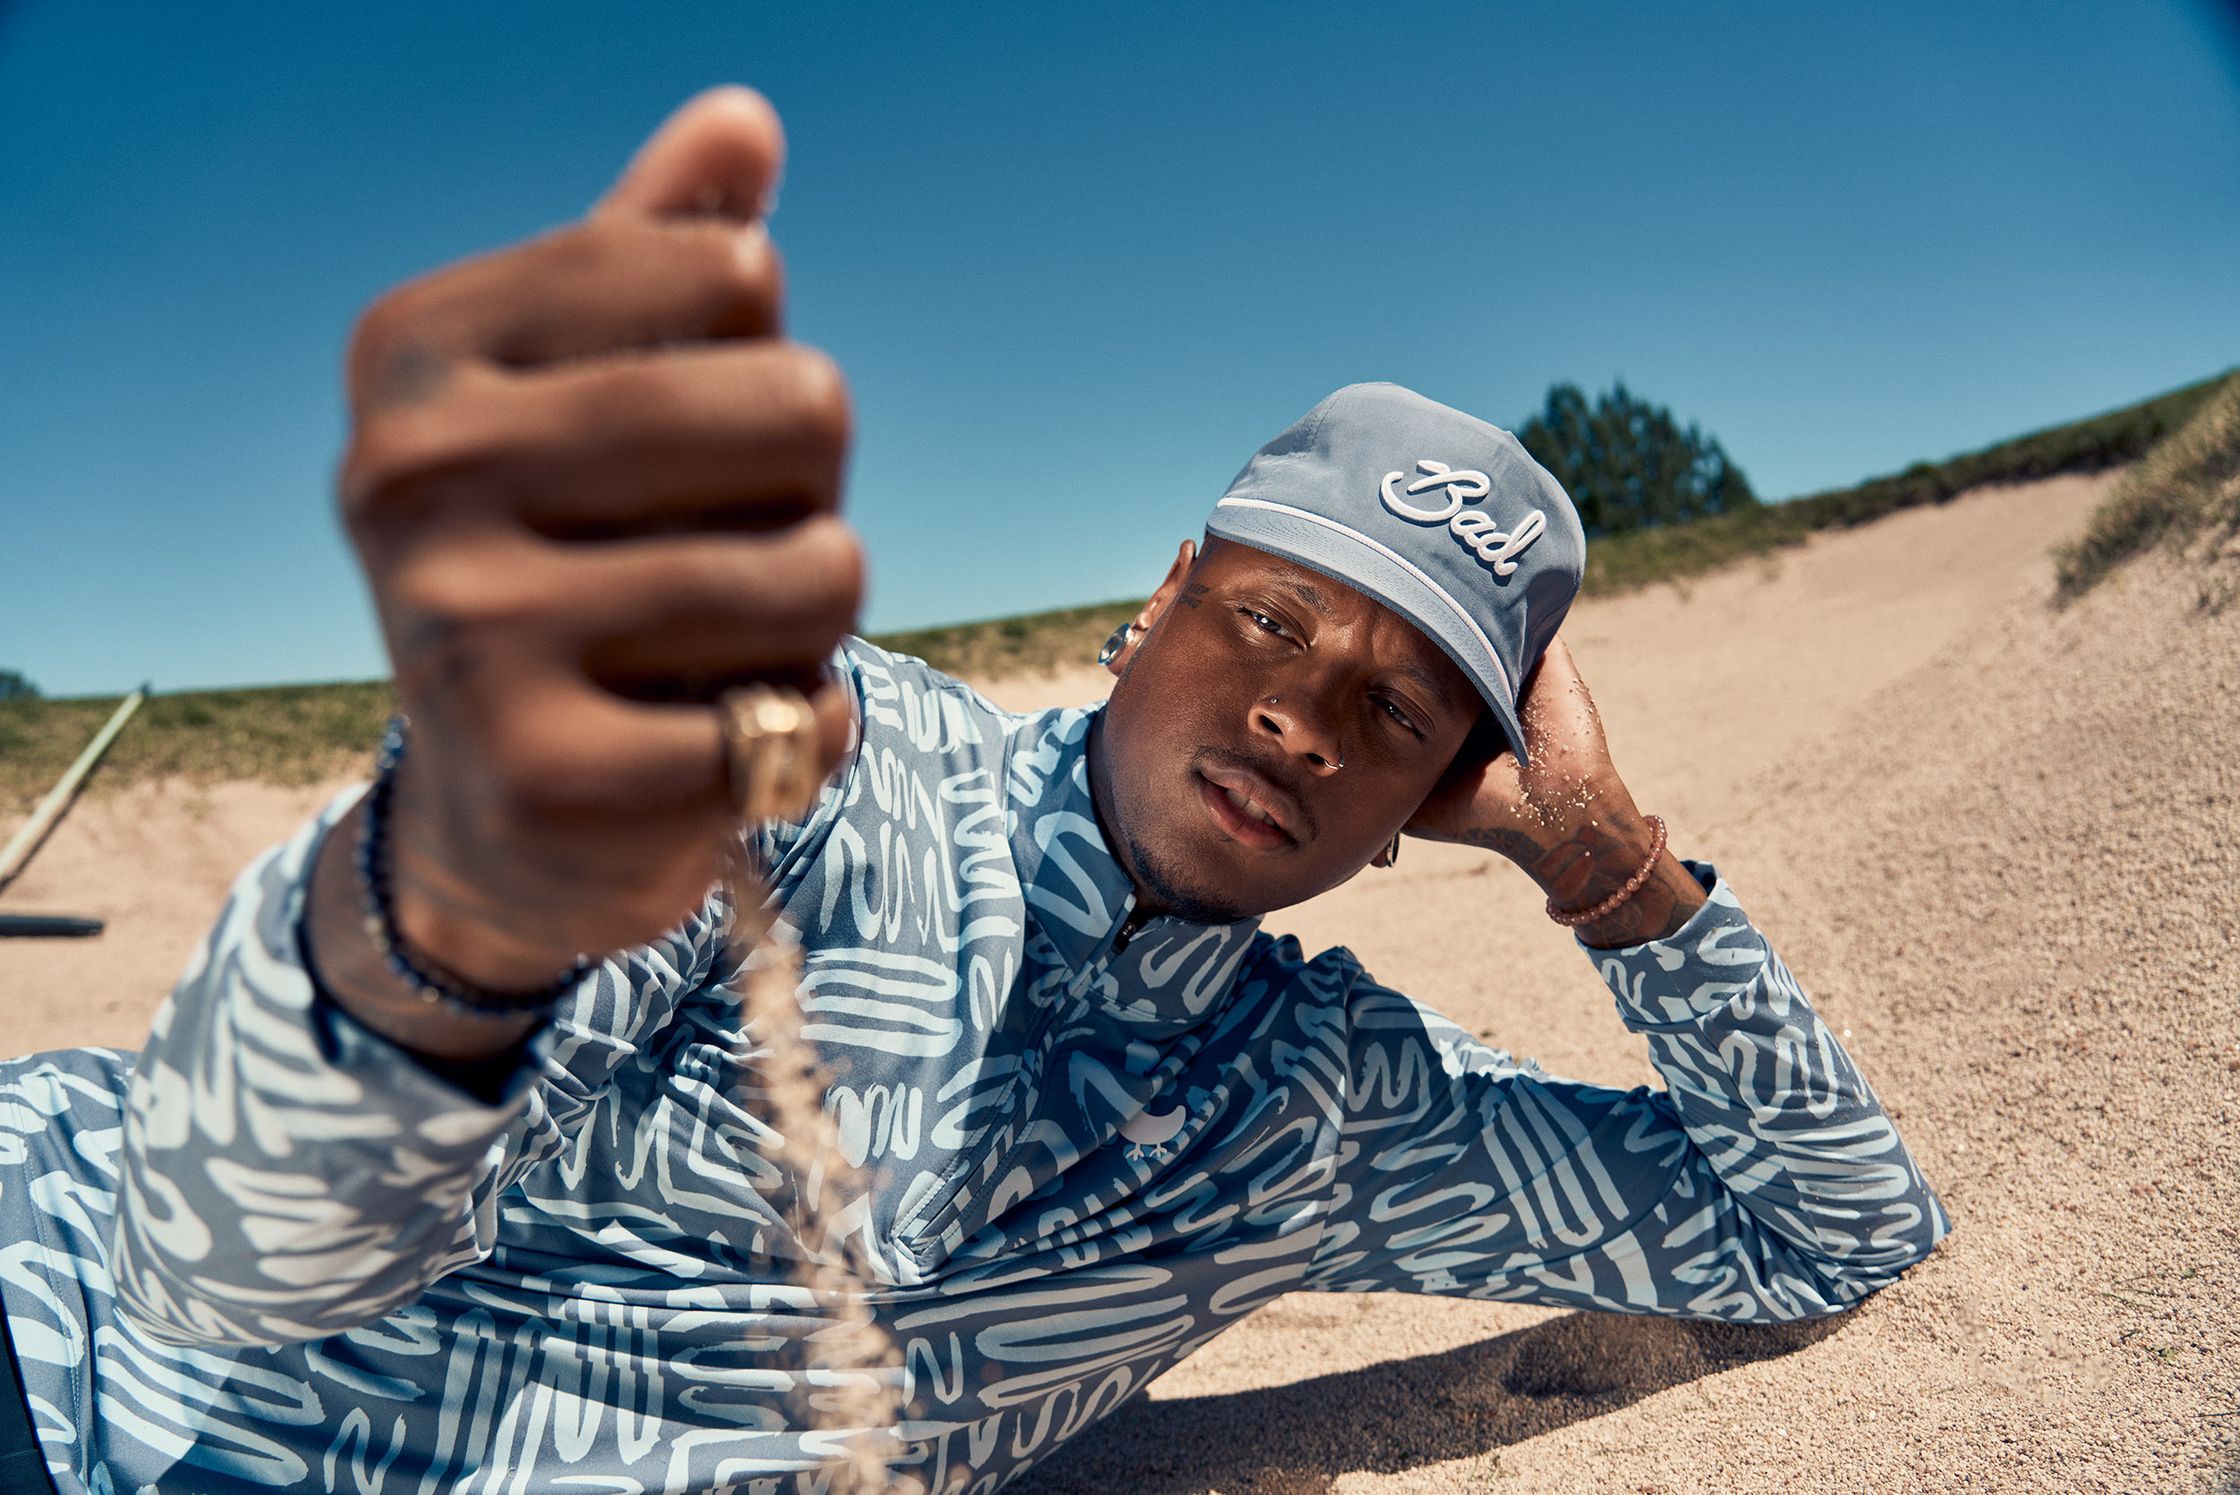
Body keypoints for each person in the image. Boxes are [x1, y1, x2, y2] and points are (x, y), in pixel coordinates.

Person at [0, 90, 1948, 1493]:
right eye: (1269, 620)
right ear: (1156, 602)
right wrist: (455, 922)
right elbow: (251, 1245)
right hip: (76, 1348)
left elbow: (1828, 1229)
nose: (1301, 717)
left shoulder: (1327, 1109)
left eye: (1399, 708)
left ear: (1442, 793)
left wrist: (1611, 869)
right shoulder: (809, 760)